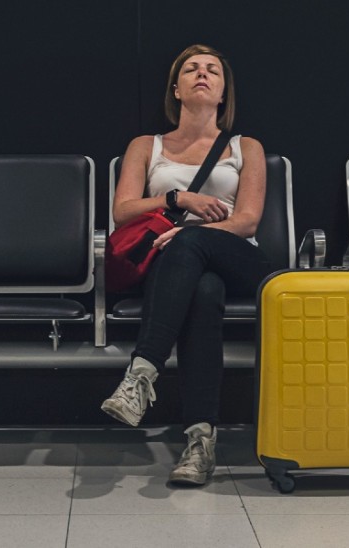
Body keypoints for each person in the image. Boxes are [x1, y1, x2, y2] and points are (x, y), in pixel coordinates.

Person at [100, 44, 271, 486]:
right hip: (170, 263)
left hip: (237, 256)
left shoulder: (244, 146)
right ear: (176, 89)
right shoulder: (146, 146)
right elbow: (123, 212)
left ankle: (142, 372)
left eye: (212, 70)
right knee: (203, 291)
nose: (202, 74)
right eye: (191, 69)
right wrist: (179, 199)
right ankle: (200, 441)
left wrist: (195, 231)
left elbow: (248, 218)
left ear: (222, 93)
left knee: (196, 247)